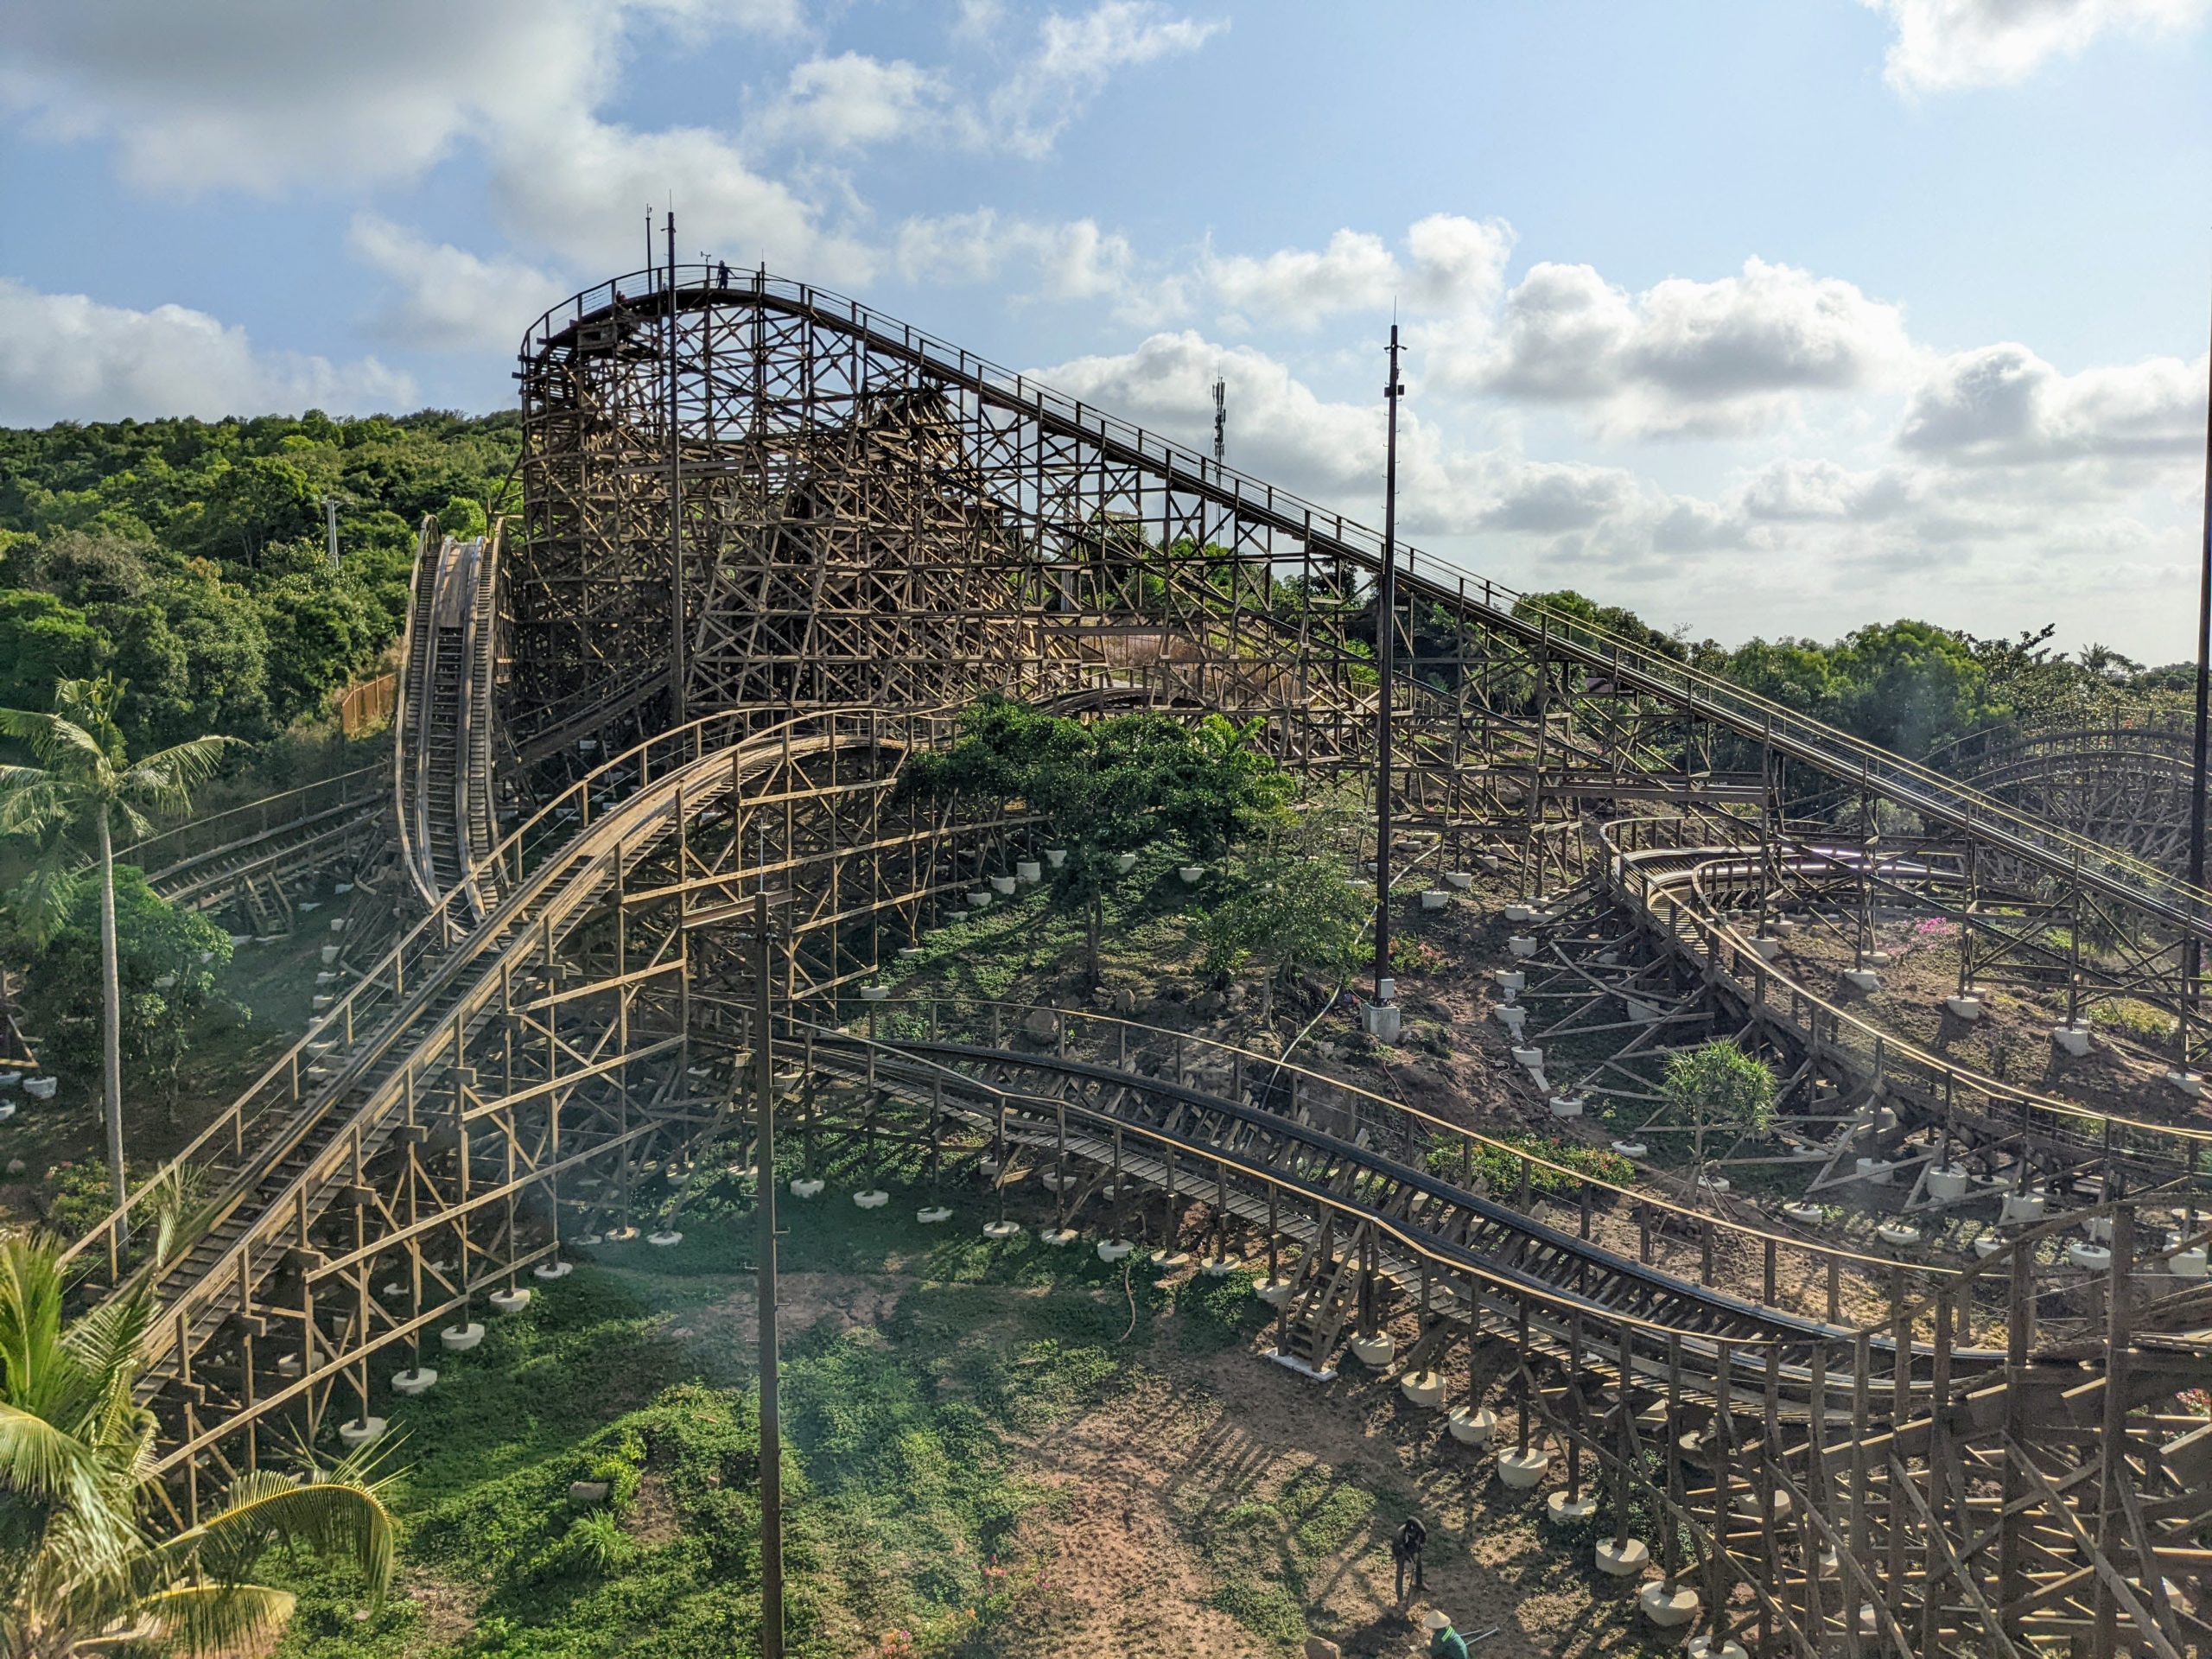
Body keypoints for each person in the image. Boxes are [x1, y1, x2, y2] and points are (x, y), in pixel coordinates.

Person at [1392, 1515, 1427, 1602]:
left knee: (1419, 1563)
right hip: (1401, 1551)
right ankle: (1400, 1598)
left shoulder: (1421, 1531)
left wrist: (1417, 1552)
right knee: (1400, 1572)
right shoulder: (1399, 1536)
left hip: (1413, 1548)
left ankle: (1419, 1583)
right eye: (1410, 1534)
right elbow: (1400, 1551)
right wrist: (1411, 1561)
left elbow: (1422, 1543)